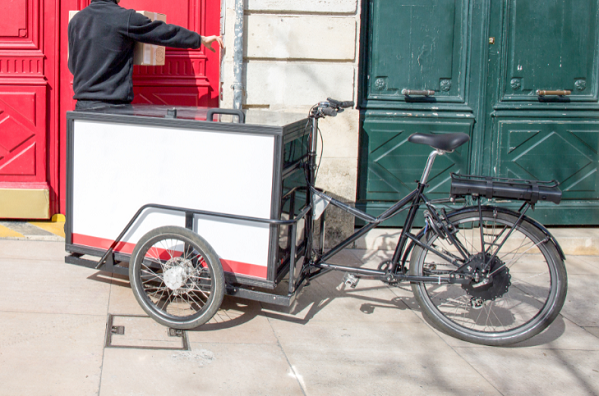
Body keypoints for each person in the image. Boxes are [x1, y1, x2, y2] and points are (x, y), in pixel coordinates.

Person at [68, 0, 223, 111]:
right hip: (113, 108)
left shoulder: (76, 21)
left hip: (82, 107)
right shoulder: (124, 18)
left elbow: (72, 65)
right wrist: (199, 39)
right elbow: (163, 33)